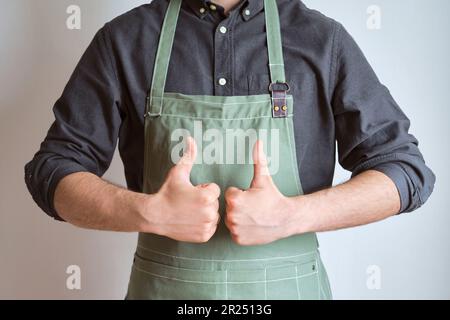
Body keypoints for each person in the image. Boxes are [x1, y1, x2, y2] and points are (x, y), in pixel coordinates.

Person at [25, 0, 435, 300]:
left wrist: (293, 215)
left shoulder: (322, 41)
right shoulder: (125, 40)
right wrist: (149, 212)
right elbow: (52, 170)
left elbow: (404, 171)